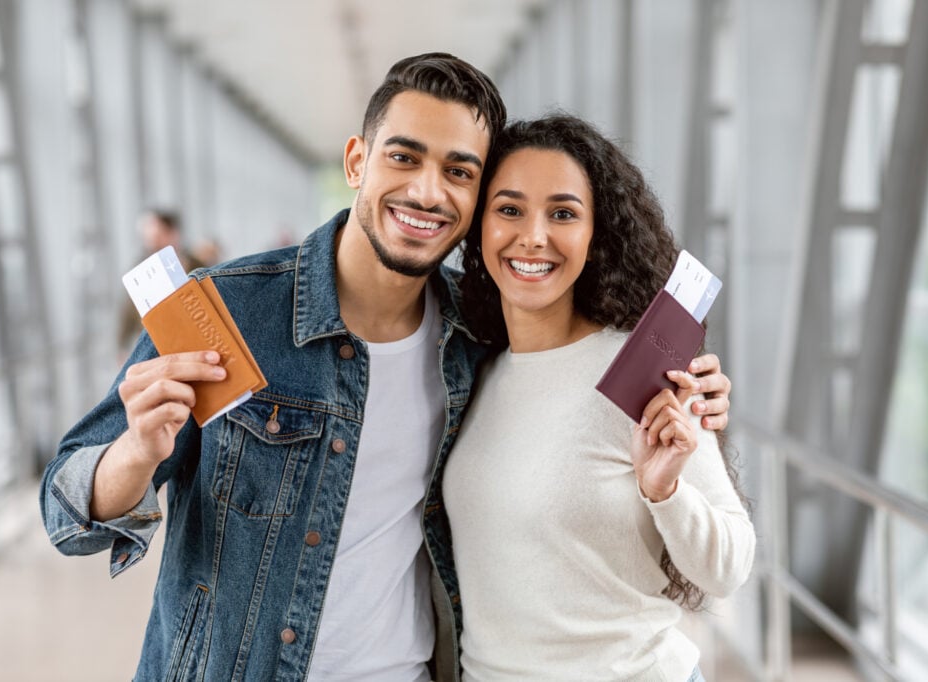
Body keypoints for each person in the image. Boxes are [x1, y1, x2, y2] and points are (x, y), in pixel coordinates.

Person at [40, 55, 733, 681]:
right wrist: (134, 454)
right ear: (356, 163)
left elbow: (568, 393)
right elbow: (66, 512)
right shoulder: (227, 310)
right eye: (404, 158)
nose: (429, 192)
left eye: (460, 172)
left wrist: (690, 395)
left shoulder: (479, 341)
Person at [447, 114, 755, 681]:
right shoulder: (469, 372)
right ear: (479, 227)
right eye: (509, 209)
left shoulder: (643, 373)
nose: (533, 236)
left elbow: (729, 566)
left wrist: (664, 492)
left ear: (596, 236)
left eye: (562, 213)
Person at [117, 208, 201, 355]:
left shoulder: (196, 265)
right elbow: (129, 309)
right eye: (148, 238)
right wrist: (122, 345)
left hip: (194, 341)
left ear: (173, 233)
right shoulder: (140, 271)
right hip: (155, 346)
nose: (152, 243)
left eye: (157, 236)